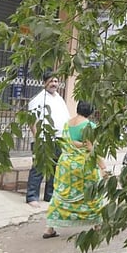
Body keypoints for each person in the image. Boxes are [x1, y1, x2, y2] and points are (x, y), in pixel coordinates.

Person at [43, 101, 105, 239]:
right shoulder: (89, 126)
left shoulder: (67, 124)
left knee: (60, 195)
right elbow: (91, 148)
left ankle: (49, 228)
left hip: (65, 166)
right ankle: (97, 225)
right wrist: (103, 166)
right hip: (83, 166)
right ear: (91, 112)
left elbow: (68, 142)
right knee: (92, 194)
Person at [26, 70, 70, 208]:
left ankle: (49, 195)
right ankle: (32, 196)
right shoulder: (38, 99)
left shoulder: (59, 98)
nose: (54, 84)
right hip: (43, 140)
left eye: (56, 81)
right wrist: (37, 138)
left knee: (55, 168)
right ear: (44, 82)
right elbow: (32, 121)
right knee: (39, 168)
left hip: (59, 139)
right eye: (51, 81)